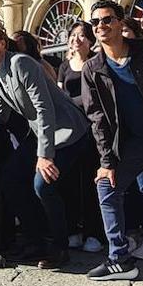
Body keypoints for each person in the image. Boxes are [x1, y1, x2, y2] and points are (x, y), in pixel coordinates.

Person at [0, 22, 93, 269]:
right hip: (42, 134)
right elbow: (2, 115)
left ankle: (58, 247)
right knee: (9, 176)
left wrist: (45, 156)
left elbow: (44, 108)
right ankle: (34, 240)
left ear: (1, 43)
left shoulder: (21, 63)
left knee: (42, 184)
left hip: (68, 132)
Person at [79, 0, 143, 280]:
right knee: (107, 186)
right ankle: (119, 258)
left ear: (120, 22)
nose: (101, 26)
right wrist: (107, 161)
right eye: (95, 22)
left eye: (107, 20)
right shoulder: (93, 68)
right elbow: (96, 118)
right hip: (129, 142)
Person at [57, 20, 105, 254]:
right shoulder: (65, 66)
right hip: (70, 130)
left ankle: (94, 232)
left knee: (90, 182)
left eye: (82, 35)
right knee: (70, 183)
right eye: (73, 35)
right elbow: (59, 94)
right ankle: (73, 229)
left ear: (90, 41)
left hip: (92, 130)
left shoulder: (96, 63)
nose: (77, 39)